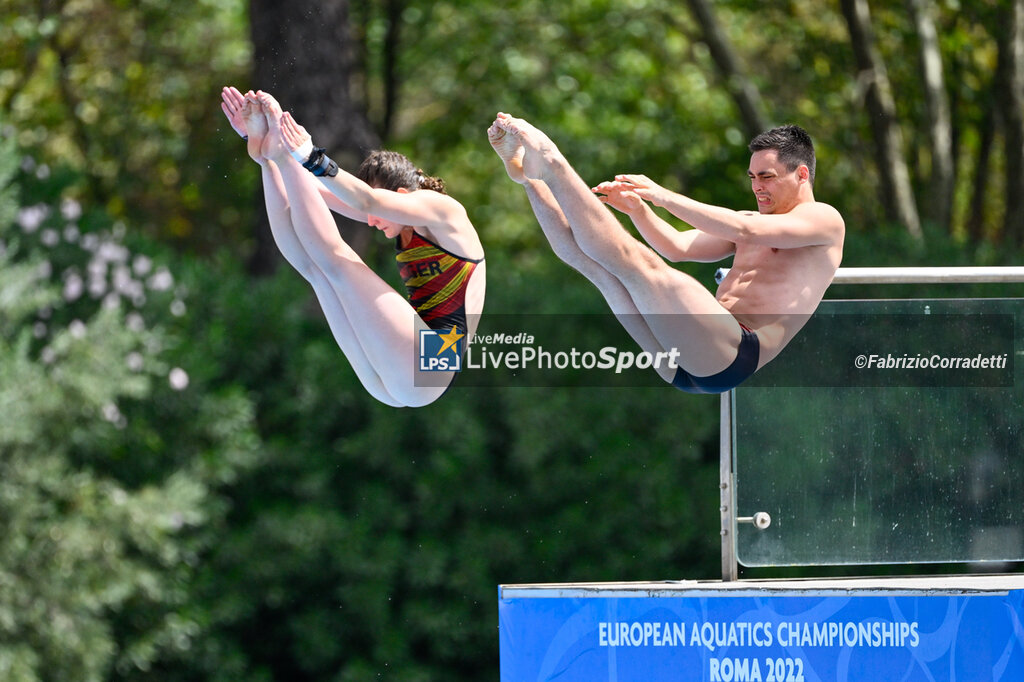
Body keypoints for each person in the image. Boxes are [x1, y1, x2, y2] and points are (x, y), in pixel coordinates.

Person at [488, 113, 843, 393]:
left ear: (801, 174)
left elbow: (743, 229)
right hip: (685, 359)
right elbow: (675, 246)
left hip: (734, 352)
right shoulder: (751, 219)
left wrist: (661, 194)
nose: (756, 187)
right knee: (600, 270)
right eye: (751, 177)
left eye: (766, 177)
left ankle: (552, 160)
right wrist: (640, 211)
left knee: (636, 263)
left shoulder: (824, 220)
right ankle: (528, 177)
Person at [220, 86, 485, 407]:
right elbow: (308, 194)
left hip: (429, 364)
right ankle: (268, 159)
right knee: (316, 270)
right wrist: (268, 153)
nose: (370, 222)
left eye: (377, 214)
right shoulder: (401, 218)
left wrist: (309, 155)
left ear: (401, 197)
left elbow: (367, 200)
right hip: (407, 376)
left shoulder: (444, 211)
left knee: (337, 261)